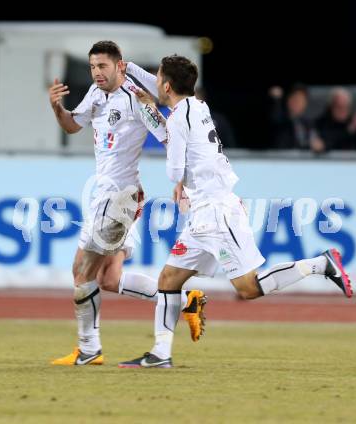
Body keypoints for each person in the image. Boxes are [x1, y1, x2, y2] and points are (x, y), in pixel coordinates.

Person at [118, 55, 353, 369]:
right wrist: (130, 69)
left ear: (167, 85)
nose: (155, 80)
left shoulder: (177, 118)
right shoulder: (198, 106)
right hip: (205, 213)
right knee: (169, 278)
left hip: (215, 216)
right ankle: (161, 354)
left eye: (157, 77)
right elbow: (163, 93)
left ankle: (319, 264)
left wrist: (151, 112)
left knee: (249, 288)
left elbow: (174, 171)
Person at [49, 42, 206, 366]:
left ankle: (89, 348)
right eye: (93, 67)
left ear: (121, 66)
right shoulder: (95, 94)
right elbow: (71, 124)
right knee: (107, 279)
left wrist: (182, 181)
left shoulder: (137, 98)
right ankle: (184, 299)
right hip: (108, 197)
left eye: (103, 66)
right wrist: (57, 108)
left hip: (120, 198)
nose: (97, 72)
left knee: (81, 270)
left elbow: (168, 136)